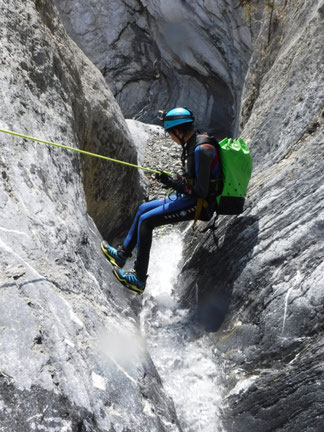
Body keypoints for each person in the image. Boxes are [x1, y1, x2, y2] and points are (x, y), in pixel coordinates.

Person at [101, 107, 222, 294]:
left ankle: (139, 279)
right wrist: (176, 180)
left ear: (178, 131)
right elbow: (195, 179)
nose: (171, 138)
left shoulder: (201, 149)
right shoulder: (192, 144)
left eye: (170, 134)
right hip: (191, 198)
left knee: (147, 221)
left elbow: (201, 191)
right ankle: (122, 255)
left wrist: (173, 184)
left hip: (200, 205)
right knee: (143, 209)